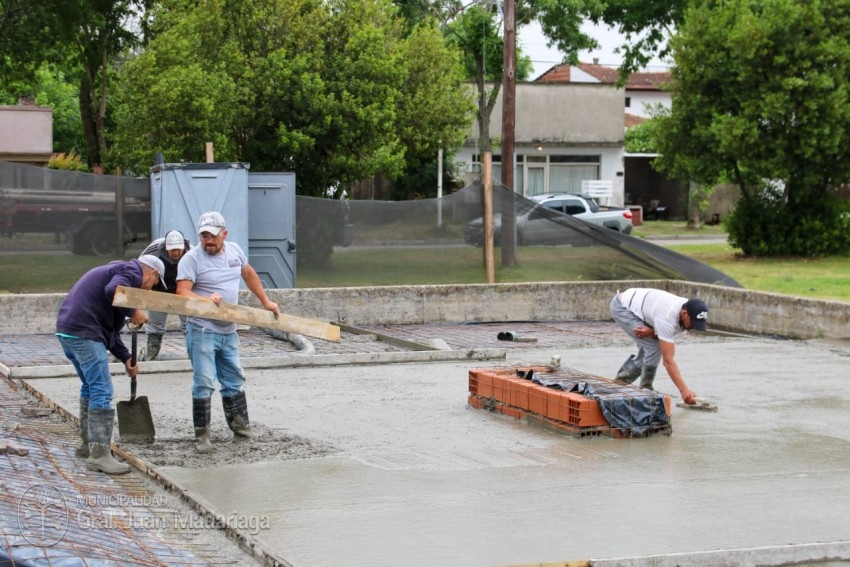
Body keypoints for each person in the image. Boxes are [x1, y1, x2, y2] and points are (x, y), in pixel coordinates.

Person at [176, 211, 280, 453]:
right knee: (203, 382)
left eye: (212, 236)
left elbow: (249, 274)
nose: (208, 241)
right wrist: (204, 298)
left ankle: (241, 428)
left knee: (234, 379)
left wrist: (266, 301)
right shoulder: (191, 259)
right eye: (203, 236)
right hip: (202, 329)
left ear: (224, 234)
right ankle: (202, 437)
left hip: (228, 330)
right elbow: (181, 292)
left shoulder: (234, 251)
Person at [55, 255, 165, 474]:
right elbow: (112, 290)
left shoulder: (118, 273)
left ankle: (88, 445)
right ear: (152, 274)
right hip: (84, 332)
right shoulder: (130, 272)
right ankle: (100, 455)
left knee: (90, 386)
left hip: (69, 331)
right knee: (102, 391)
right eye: (153, 285)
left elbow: (110, 332)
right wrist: (133, 312)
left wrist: (126, 357)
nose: (150, 291)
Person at [609, 287, 708, 405]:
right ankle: (646, 390)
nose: (693, 327)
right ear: (684, 313)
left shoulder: (688, 308)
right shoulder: (668, 316)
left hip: (643, 308)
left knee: (649, 351)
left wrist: (651, 331)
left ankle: (617, 385)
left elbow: (666, 327)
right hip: (623, 307)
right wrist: (684, 390)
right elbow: (668, 361)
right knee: (654, 348)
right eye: (693, 323)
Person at [138, 229, 192, 361]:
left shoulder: (193, 252)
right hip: (159, 289)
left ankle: (193, 352)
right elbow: (140, 267)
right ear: (165, 247)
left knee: (189, 324)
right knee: (155, 325)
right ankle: (152, 352)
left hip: (183, 290)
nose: (176, 253)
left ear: (184, 246)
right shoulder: (154, 249)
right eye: (172, 249)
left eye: (179, 249)